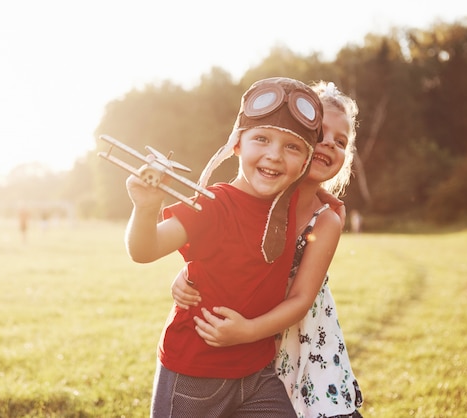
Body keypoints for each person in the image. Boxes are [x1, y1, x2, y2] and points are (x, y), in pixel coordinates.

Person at [124, 77, 325, 417]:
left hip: (258, 371)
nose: (274, 155)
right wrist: (144, 209)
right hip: (195, 372)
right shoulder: (214, 203)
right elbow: (144, 250)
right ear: (236, 145)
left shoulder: (291, 200)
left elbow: (332, 143)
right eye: (261, 139)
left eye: (292, 147)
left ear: (306, 161)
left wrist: (329, 195)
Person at [172, 81, 363, 418]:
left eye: (341, 142)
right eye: (320, 134)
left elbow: (301, 300)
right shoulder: (258, 195)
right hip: (246, 343)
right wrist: (185, 275)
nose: (329, 145)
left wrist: (247, 331)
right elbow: (221, 243)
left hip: (298, 336)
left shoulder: (325, 218)